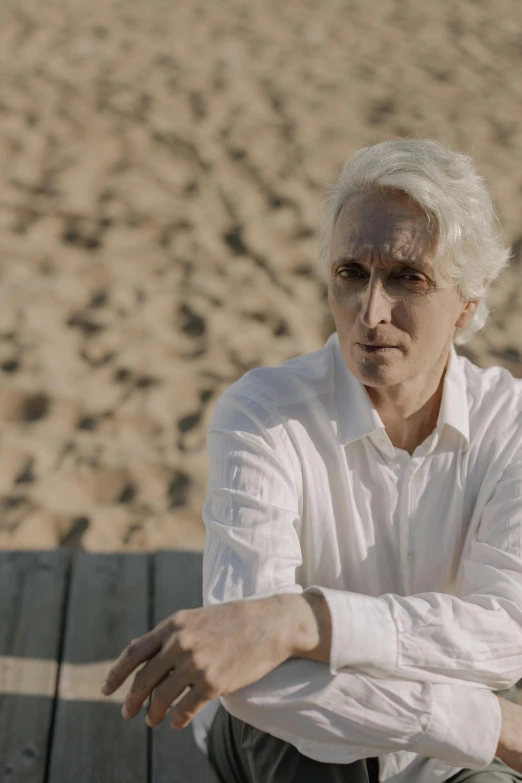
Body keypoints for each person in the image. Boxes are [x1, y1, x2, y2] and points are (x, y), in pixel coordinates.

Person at [98, 139, 522, 783]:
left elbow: (505, 635)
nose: (371, 313)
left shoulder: (511, 424)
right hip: (296, 737)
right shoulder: (260, 412)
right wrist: (486, 723)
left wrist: (300, 620)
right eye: (351, 273)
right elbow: (249, 677)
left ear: (470, 298)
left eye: (409, 277)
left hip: (449, 761)